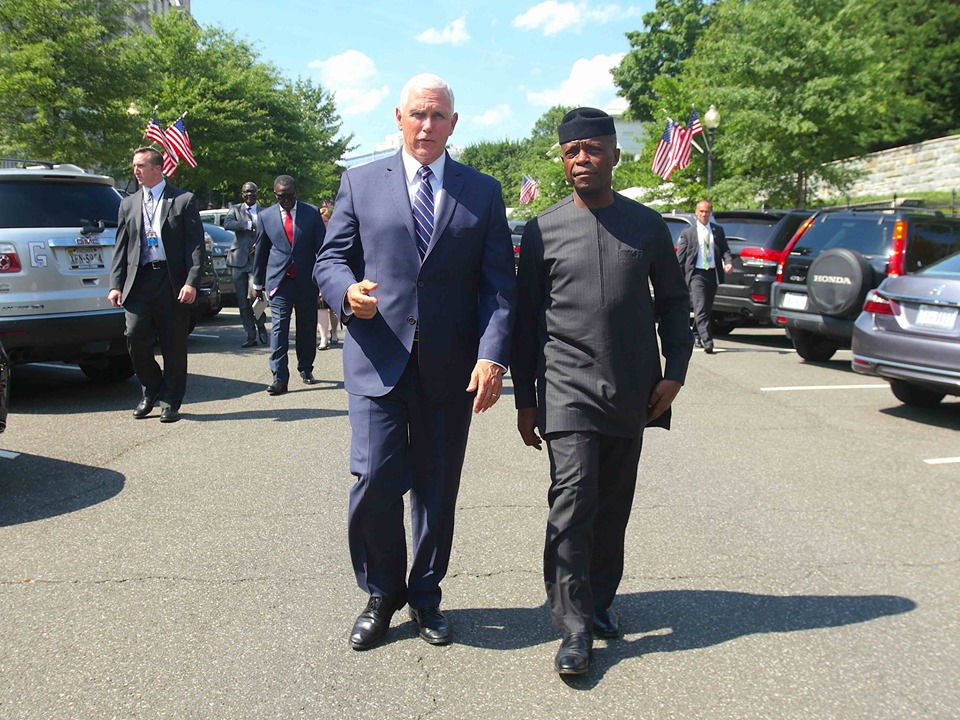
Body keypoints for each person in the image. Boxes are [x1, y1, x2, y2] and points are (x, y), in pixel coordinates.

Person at [314, 73, 515, 651]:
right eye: (417, 114)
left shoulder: (482, 191)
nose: (427, 125)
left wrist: (491, 356)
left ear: (454, 123)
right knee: (374, 477)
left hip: (451, 368)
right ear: (398, 118)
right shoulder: (359, 182)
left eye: (439, 116)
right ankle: (382, 592)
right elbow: (331, 259)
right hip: (376, 357)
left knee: (435, 486)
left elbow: (498, 286)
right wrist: (346, 292)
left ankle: (425, 594)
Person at [511, 108, 693, 675]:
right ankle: (572, 626)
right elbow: (525, 321)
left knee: (613, 502)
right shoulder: (544, 229)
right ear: (562, 162)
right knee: (572, 499)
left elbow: (673, 305)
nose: (581, 160)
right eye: (571, 152)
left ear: (615, 155)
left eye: (592, 149)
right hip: (565, 384)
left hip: (632, 385)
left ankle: (601, 600)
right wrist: (525, 398)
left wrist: (675, 370)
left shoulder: (648, 226)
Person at [108, 147, 204, 424]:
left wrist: (191, 281)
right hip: (139, 281)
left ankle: (170, 400)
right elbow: (121, 247)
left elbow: (195, 246)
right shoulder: (128, 203)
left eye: (140, 165)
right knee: (135, 334)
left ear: (156, 168)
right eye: (134, 166)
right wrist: (115, 284)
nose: (135, 171)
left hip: (171, 281)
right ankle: (150, 388)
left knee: (173, 343)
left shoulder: (183, 200)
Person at [252, 175, 324, 395]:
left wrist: (324, 281)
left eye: (290, 196)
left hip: (306, 281)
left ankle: (306, 368)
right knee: (280, 329)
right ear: (275, 195)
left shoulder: (311, 213)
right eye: (282, 197)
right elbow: (261, 251)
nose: (286, 200)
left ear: (297, 193)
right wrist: (257, 282)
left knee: (306, 328)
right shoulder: (266, 216)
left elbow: (322, 249)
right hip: (279, 283)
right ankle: (279, 378)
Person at [676, 200, 733, 354]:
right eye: (701, 211)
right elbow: (680, 257)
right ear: (696, 213)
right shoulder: (688, 233)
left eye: (706, 211)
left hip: (712, 273)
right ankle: (708, 341)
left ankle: (695, 334)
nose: (703, 214)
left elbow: (725, 250)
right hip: (696, 274)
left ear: (710, 213)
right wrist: (675, 276)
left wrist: (728, 262)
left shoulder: (717, 231)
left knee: (706, 309)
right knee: (700, 307)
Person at [223, 182, 269, 348]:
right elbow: (227, 223)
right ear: (242, 194)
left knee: (256, 297)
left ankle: (261, 325)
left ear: (257, 193)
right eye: (246, 192)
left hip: (256, 262)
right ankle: (250, 335)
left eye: (252, 192)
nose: (249, 194)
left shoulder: (264, 212)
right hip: (238, 260)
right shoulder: (235, 210)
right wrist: (248, 224)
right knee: (242, 302)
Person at [316, 205, 340, 351]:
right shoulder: (314, 235)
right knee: (321, 307)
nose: (323, 224)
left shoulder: (336, 234)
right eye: (321, 221)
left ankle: (335, 332)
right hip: (320, 275)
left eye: (325, 221)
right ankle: (324, 338)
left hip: (335, 275)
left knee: (334, 309)